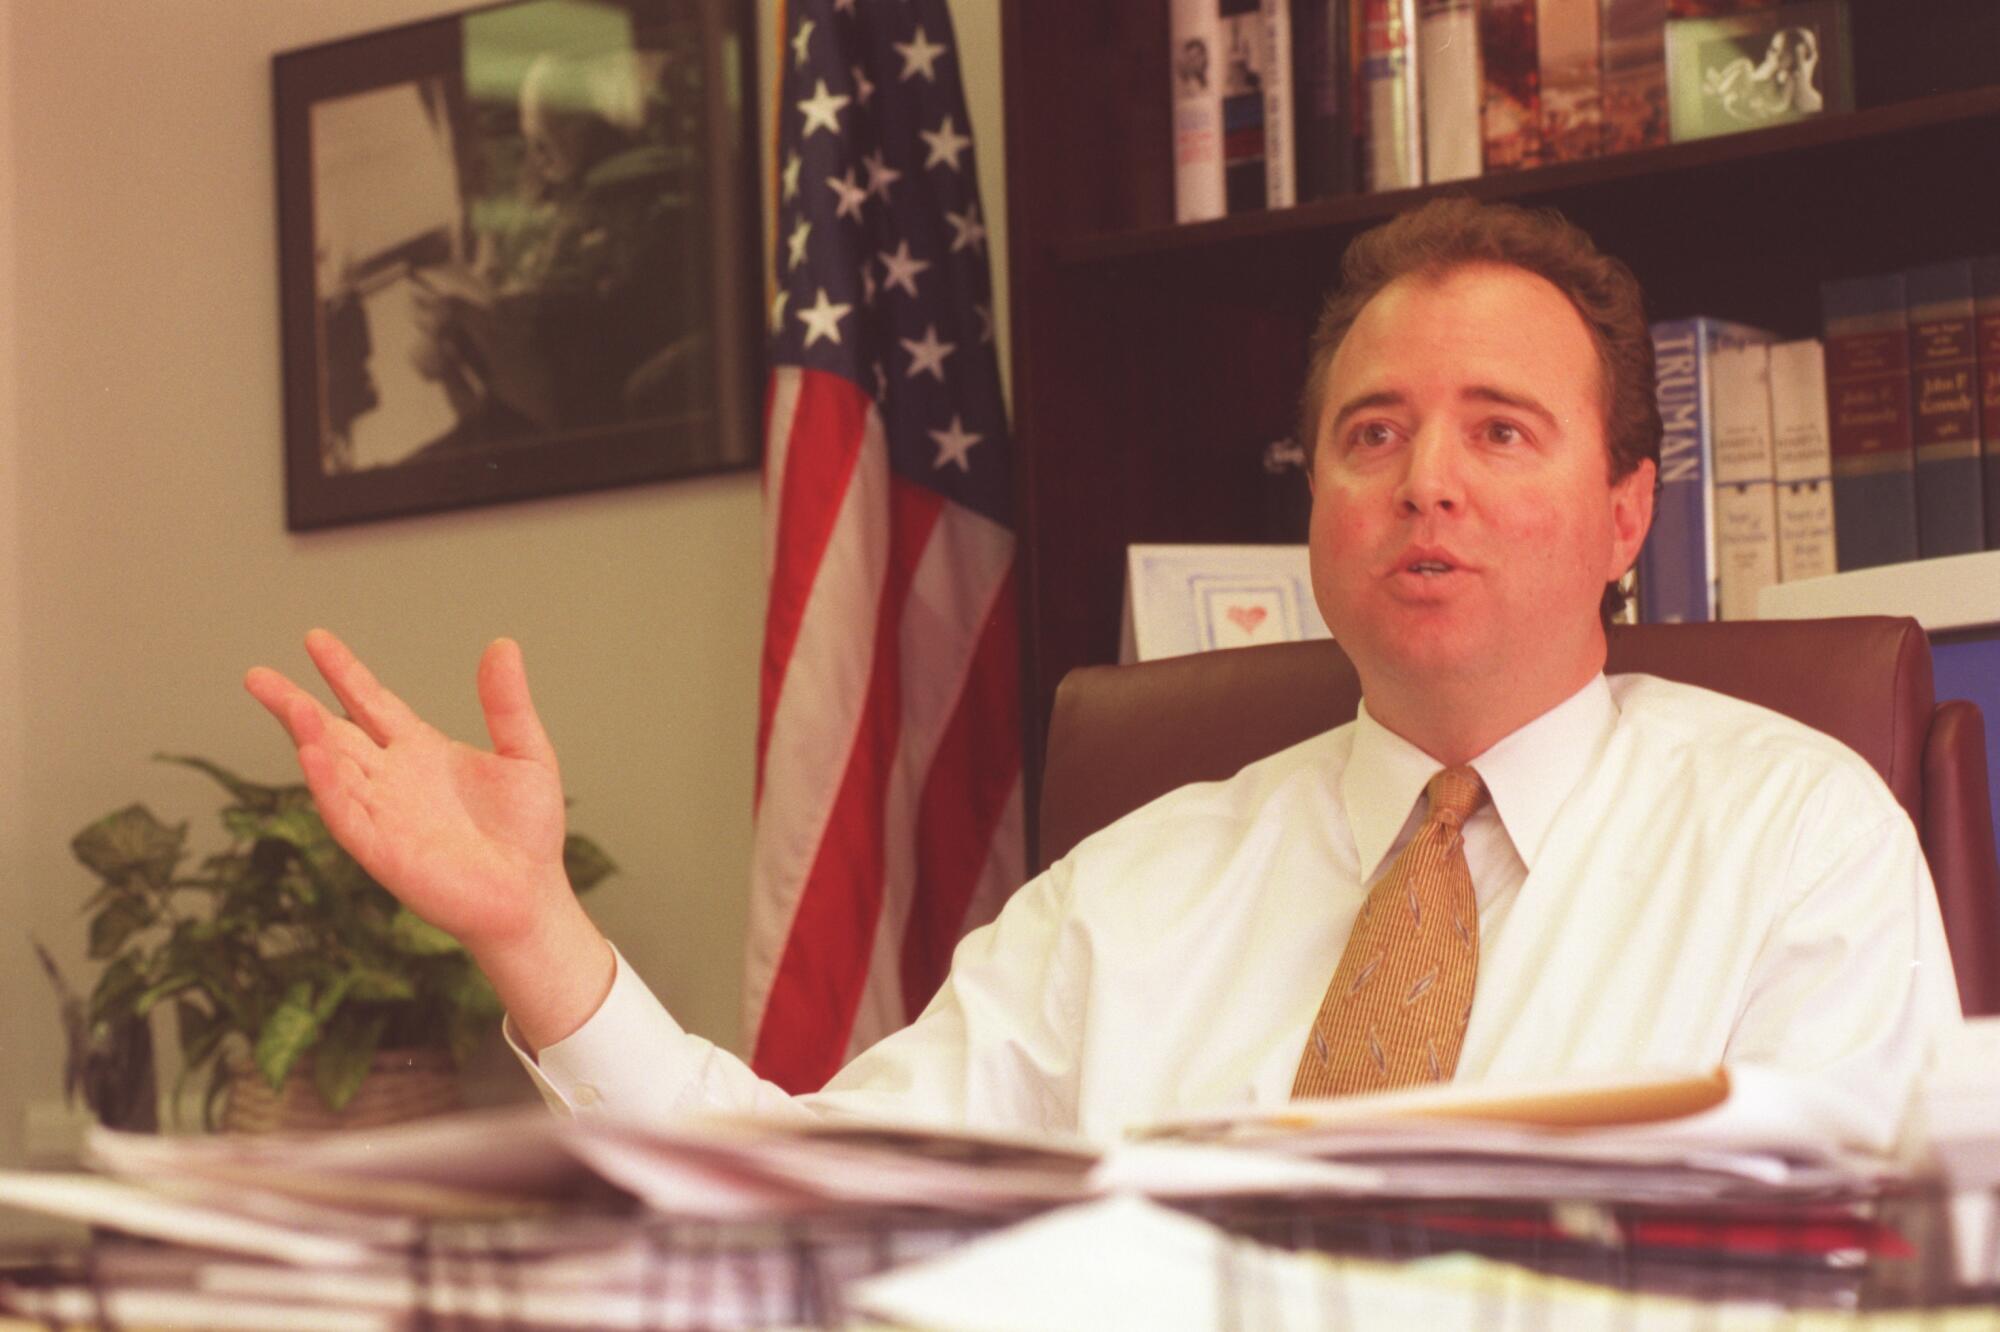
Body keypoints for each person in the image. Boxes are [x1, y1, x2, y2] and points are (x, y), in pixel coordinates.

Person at [246, 197, 1959, 1145]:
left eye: (1500, 430)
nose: (1426, 478)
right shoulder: (1133, 891)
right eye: (1374, 433)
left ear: (1624, 518)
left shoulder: (1794, 836)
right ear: (1318, 507)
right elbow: (818, 1208)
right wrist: (536, 933)